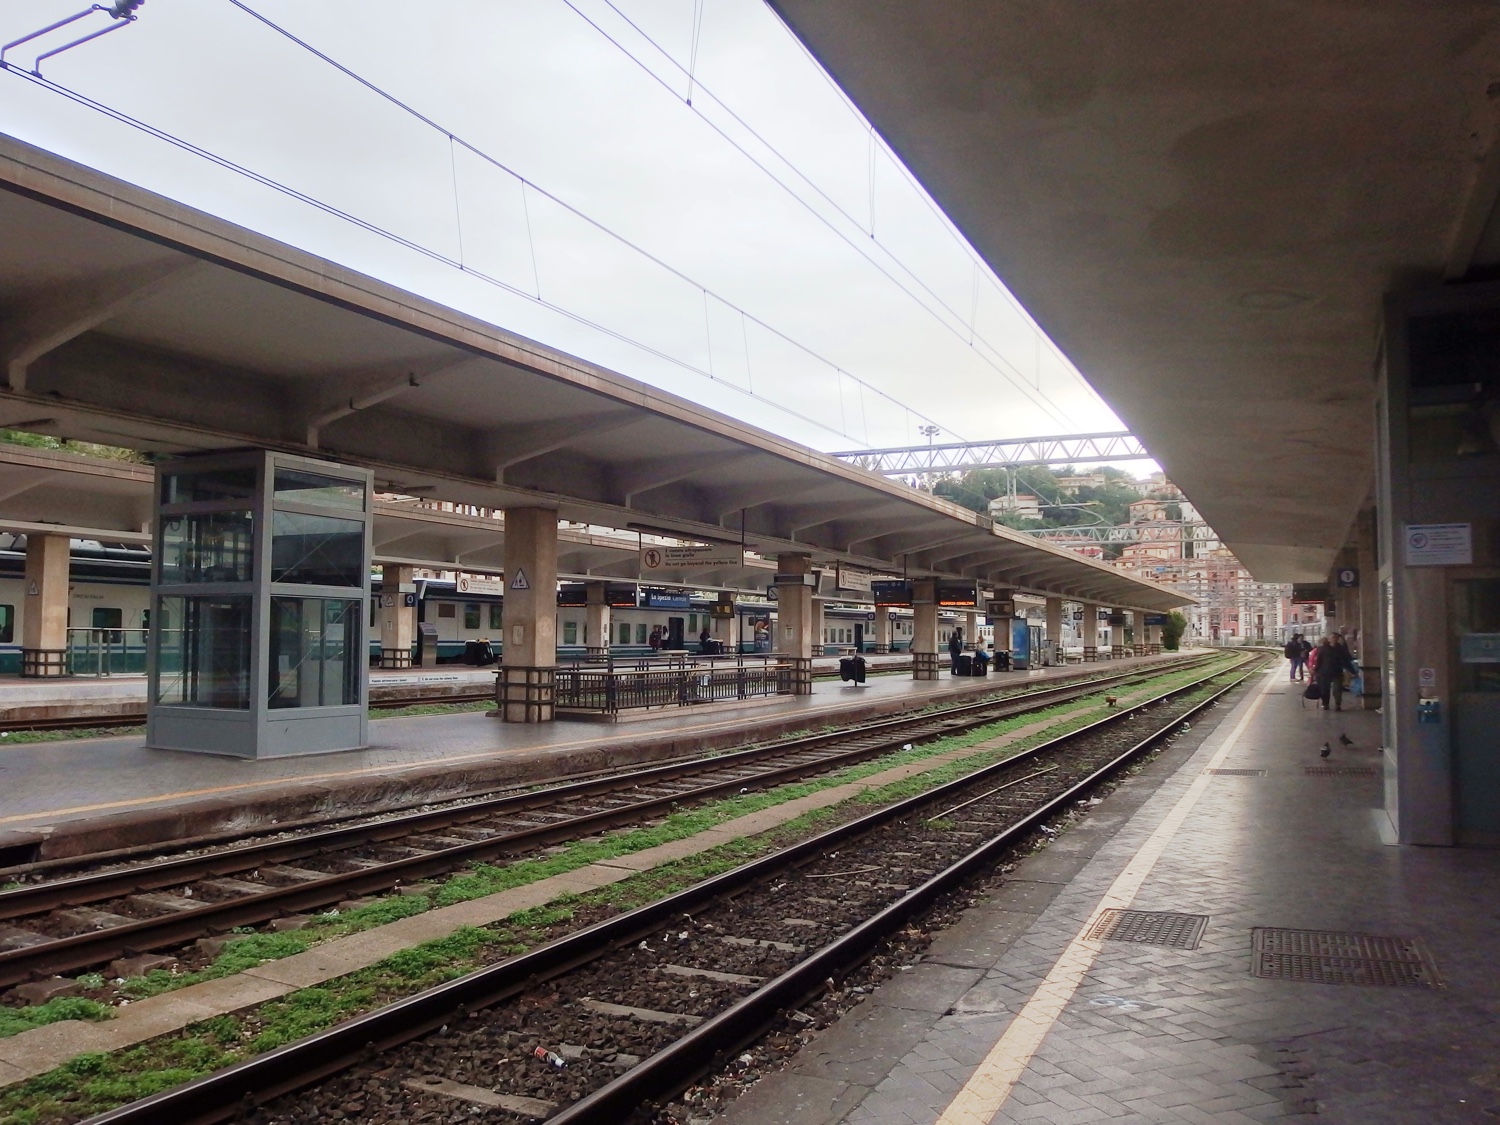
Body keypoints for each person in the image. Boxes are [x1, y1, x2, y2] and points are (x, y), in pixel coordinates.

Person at [1313, 635, 1353, 711]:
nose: (1334, 639)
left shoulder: (1340, 649)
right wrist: (1315, 671)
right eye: (1332, 637)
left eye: (1335, 638)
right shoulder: (1323, 649)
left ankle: (1338, 704)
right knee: (1325, 689)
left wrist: (1352, 671)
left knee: (1337, 689)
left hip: (1337, 672)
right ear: (1329, 639)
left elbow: (1345, 661)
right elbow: (1319, 661)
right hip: (1324, 672)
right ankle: (1325, 704)